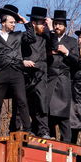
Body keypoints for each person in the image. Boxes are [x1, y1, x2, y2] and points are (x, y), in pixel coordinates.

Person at [0, 3, 32, 135]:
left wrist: (25, 22)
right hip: (0, 74)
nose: (14, 24)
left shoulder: (18, 35)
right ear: (3, 23)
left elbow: (32, 38)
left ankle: (28, 129)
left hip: (16, 72)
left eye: (15, 22)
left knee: (22, 100)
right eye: (11, 22)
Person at [45, 9, 74, 141]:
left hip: (64, 82)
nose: (57, 26)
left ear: (65, 27)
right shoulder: (48, 38)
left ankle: (67, 145)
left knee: (64, 116)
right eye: (55, 24)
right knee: (49, 113)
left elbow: (78, 62)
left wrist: (67, 52)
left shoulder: (72, 42)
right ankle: (50, 141)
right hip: (49, 80)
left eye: (60, 24)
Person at [23, 7, 52, 136]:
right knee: (26, 104)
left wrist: (50, 27)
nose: (44, 26)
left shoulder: (46, 37)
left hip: (41, 75)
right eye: (42, 24)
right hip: (27, 74)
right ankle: (27, 129)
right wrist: (27, 26)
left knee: (41, 103)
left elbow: (55, 44)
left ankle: (43, 131)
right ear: (34, 23)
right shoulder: (24, 36)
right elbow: (29, 39)